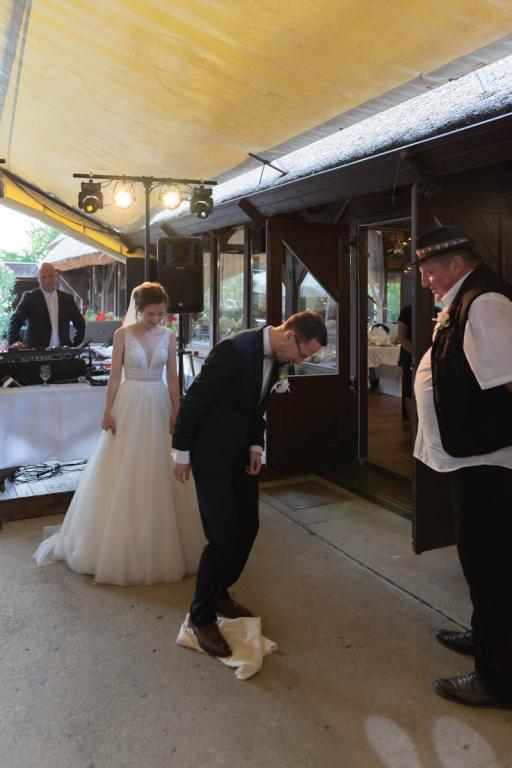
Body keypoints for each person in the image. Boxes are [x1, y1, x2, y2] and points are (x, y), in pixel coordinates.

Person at [172, 311, 327, 657]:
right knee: (222, 536)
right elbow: (195, 401)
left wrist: (257, 446)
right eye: (302, 354)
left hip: (242, 454)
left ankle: (219, 592)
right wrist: (181, 452)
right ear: (289, 336)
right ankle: (200, 618)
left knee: (248, 527)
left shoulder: (279, 358)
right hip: (211, 453)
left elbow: (257, 409)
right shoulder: (234, 350)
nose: (300, 362)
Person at [34, 282, 205, 585]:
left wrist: (177, 410)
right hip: (129, 403)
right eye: (151, 314)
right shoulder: (122, 335)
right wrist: (107, 411)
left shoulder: (168, 335)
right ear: (138, 310)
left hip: (159, 401)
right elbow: (114, 377)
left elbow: (172, 376)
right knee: (123, 465)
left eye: (161, 314)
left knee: (161, 465)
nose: (156, 319)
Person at [412, 224, 512, 709]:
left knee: (490, 566)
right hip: (470, 454)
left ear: (456, 263)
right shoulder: (467, 298)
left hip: (488, 461)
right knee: (479, 562)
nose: (425, 281)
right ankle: (484, 636)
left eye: (430, 271)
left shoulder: (485, 303)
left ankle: (497, 679)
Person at [8, 262, 85, 348]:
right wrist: (14, 342)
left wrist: (75, 346)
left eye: (50, 276)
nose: (47, 281)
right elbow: (15, 321)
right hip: (36, 352)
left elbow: (80, 324)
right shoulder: (30, 297)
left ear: (56, 276)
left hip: (62, 352)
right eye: (43, 277)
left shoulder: (67, 299)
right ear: (38, 279)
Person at [397, 304, 412, 419]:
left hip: (429, 357)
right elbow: (401, 337)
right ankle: (413, 423)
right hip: (409, 357)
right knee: (410, 391)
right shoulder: (407, 311)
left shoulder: (436, 310)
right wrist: (416, 353)